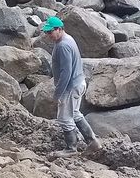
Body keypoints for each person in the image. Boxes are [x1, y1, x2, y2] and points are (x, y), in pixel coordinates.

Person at [42, 16, 101, 152]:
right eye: (46, 32)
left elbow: (66, 72)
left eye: (50, 32)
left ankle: (71, 148)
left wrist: (58, 93)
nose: (48, 35)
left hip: (71, 86)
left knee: (64, 118)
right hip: (78, 82)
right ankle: (92, 141)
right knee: (74, 113)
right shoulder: (67, 39)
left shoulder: (63, 45)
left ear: (59, 29)